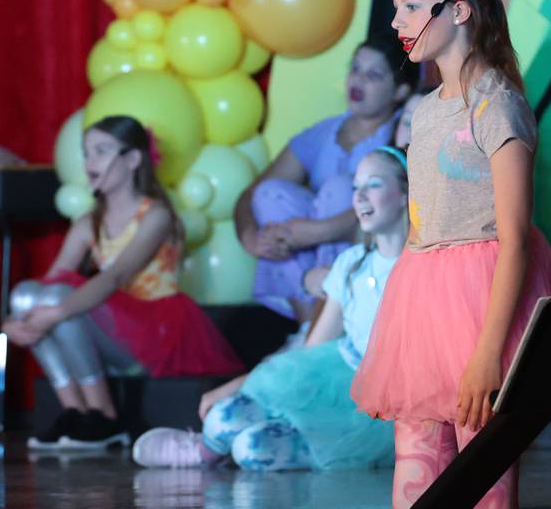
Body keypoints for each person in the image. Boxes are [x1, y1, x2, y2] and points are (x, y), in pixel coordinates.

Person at [351, 0, 551, 509]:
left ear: (460, 11)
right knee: (416, 475)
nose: (398, 22)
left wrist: (488, 354)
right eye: (397, 9)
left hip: (481, 306)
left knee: (484, 475)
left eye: (412, 7)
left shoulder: (497, 105)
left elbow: (515, 238)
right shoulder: (424, 112)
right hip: (423, 306)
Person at [133, 147, 409, 471]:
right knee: (224, 418)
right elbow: (310, 353)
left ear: (405, 193)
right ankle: (203, 452)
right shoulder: (351, 265)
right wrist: (237, 384)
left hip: (379, 403)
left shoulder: (419, 267)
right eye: (355, 188)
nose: (360, 197)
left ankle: (285, 446)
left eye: (374, 185)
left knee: (253, 449)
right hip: (334, 378)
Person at [3, 115, 243, 450]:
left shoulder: (155, 215)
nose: (90, 162)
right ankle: (74, 410)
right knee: (27, 293)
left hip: (154, 332)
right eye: (86, 153)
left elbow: (116, 276)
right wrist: (16, 320)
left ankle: (104, 414)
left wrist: (56, 312)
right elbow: (52, 277)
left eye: (101, 151)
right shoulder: (89, 222)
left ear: (131, 159)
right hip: (111, 329)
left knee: (60, 301)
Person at [234, 34, 418, 333]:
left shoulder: (402, 132)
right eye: (355, 69)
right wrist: (250, 237)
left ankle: (329, 320)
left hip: (368, 252)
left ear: (400, 90)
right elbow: (253, 193)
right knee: (270, 194)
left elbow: (405, 196)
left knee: (340, 190)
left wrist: (317, 231)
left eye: (372, 75)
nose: (357, 81)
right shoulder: (323, 133)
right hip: (306, 272)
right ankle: (308, 323)